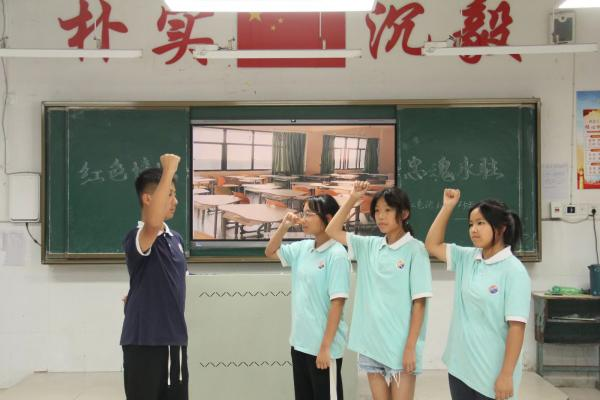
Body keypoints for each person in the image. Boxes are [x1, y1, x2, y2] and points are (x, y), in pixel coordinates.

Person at [325, 182, 432, 400]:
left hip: (401, 346)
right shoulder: (369, 246)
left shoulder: (416, 250)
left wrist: (410, 347)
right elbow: (332, 230)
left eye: (388, 210)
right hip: (372, 343)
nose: (380, 216)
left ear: (404, 214)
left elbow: (419, 303)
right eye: (377, 211)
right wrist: (353, 198)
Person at [425, 189, 531, 400]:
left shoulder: (514, 271)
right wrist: (447, 207)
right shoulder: (467, 257)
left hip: (492, 372)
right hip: (460, 367)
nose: (473, 230)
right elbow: (432, 245)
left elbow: (517, 328)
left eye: (480, 223)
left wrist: (506, 375)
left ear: (501, 228)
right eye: (471, 224)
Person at [265, 194, 351, 400]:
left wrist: (325, 348)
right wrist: (284, 226)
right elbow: (270, 251)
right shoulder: (303, 248)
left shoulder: (337, 254)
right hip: (300, 344)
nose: (304, 219)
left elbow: (337, 304)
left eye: (310, 214)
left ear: (328, 218)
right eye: (303, 213)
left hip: (323, 349)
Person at [120, 153, 189, 400]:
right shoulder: (137, 236)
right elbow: (152, 223)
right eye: (169, 194)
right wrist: (168, 170)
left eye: (174, 194)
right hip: (145, 342)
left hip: (174, 339)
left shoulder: (175, 238)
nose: (175, 201)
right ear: (148, 198)